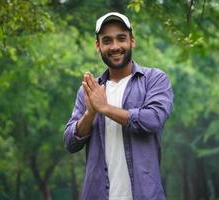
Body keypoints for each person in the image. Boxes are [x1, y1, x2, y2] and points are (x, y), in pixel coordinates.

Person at [64, 12, 174, 200]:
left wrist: (105, 108)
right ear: (98, 46)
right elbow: (70, 142)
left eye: (121, 38)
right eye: (107, 41)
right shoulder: (89, 91)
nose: (114, 46)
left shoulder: (154, 79)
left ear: (132, 41)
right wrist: (90, 114)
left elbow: (153, 120)